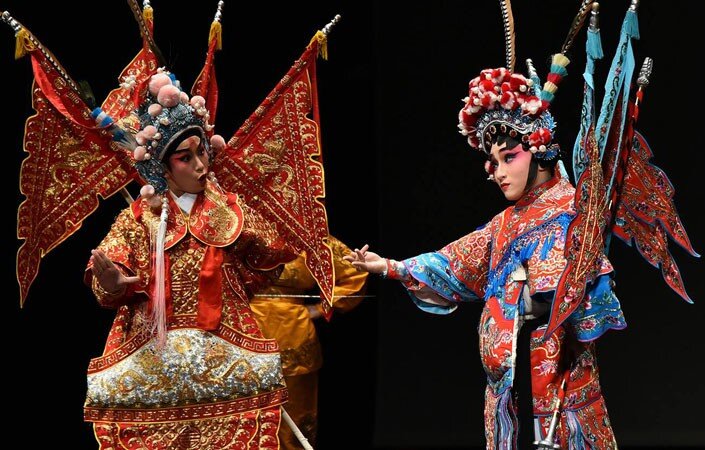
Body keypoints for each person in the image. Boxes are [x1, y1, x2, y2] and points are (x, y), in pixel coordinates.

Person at [84, 68, 304, 448]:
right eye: (186, 158)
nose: (201, 165)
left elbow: (270, 257)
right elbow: (110, 276)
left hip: (227, 358)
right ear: (163, 167)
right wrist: (114, 283)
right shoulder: (138, 219)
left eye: (202, 151)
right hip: (154, 363)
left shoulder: (231, 210)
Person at [250, 235, 368, 449]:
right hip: (241, 329)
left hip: (292, 333)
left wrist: (321, 308)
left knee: (292, 424)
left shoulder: (309, 234)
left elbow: (355, 272)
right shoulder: (237, 227)